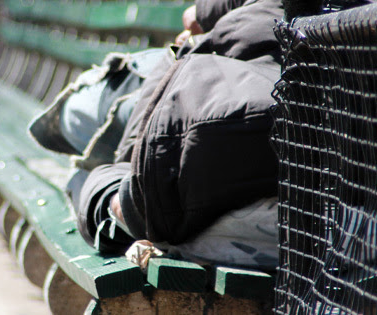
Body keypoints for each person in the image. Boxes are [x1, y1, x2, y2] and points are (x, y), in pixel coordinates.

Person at [31, 0, 283, 269]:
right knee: (81, 131)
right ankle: (87, 174)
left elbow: (137, 200)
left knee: (78, 125)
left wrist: (113, 199)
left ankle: (85, 173)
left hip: (187, 97)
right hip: (189, 85)